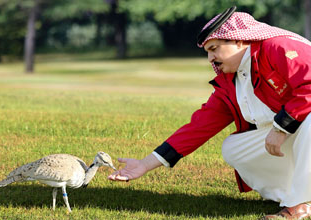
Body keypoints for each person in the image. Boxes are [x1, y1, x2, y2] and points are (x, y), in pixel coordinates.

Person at [108, 6, 311, 219]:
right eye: (207, 52)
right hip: (299, 130)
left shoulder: (277, 46)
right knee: (233, 148)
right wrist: (144, 164)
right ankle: (292, 195)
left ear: (240, 41)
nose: (210, 59)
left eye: (214, 48)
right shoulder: (231, 82)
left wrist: (280, 129)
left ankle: (298, 203)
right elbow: (198, 127)